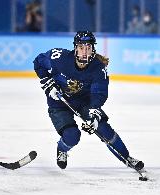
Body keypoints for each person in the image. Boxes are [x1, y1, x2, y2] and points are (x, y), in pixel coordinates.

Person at [33, 31, 145, 172]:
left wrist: (93, 113)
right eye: (81, 47)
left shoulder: (98, 68)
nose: (84, 52)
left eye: (88, 48)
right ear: (75, 48)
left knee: (103, 129)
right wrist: (47, 81)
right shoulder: (59, 58)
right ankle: (62, 149)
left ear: (93, 49)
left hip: (83, 102)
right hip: (59, 102)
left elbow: (99, 93)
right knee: (72, 136)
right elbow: (38, 62)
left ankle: (127, 157)